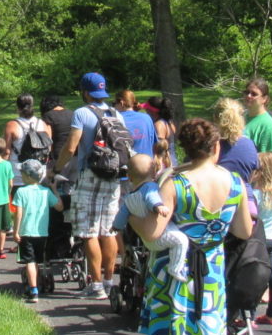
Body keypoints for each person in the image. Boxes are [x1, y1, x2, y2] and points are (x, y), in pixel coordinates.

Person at [136, 117, 253, 335]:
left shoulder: (175, 182)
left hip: (177, 273)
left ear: (186, 148)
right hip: (212, 274)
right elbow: (243, 231)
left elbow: (154, 232)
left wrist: (133, 216)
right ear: (216, 147)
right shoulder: (234, 182)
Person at [54, 72, 126, 299]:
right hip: (113, 176)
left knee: (88, 232)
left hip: (90, 175)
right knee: (108, 230)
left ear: (85, 92)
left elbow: (71, 146)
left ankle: (96, 287)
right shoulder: (116, 113)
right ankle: (108, 281)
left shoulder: (81, 113)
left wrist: (57, 168)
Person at [123, 152, 189, 284]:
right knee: (180, 240)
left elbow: (121, 215)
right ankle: (175, 268)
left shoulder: (129, 197)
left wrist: (118, 224)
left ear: (129, 177)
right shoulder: (152, 187)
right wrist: (159, 206)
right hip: (156, 234)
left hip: (144, 238)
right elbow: (152, 198)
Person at [12, 161, 61, 300]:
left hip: (26, 232)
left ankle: (33, 290)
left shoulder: (21, 191)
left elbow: (18, 213)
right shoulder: (46, 192)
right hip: (42, 233)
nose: (20, 174)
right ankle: (36, 283)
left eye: (22, 172)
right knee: (38, 261)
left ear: (27, 176)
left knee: (30, 261)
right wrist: (55, 190)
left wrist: (16, 231)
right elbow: (59, 207)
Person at [251, 152, 272, 325]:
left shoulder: (255, 194)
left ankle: (248, 315)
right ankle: (271, 313)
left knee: (254, 276)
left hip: (258, 238)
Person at [5, 93, 52, 183]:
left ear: (18, 108)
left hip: (19, 173)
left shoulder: (12, 125)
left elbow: (7, 151)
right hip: (39, 172)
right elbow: (49, 148)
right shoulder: (43, 124)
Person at [215, 97, 259, 186]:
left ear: (215, 118)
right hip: (246, 197)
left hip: (219, 197)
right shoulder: (249, 144)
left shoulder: (212, 146)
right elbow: (251, 176)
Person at [244, 78, 272, 154]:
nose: (249, 96)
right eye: (247, 92)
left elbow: (269, 161)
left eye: (254, 94)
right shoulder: (240, 118)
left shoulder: (269, 126)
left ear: (264, 99)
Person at [115, 88, 157, 156]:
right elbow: (154, 143)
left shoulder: (116, 120)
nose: (114, 106)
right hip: (148, 162)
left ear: (121, 103)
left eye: (114, 103)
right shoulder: (147, 118)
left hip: (128, 164)